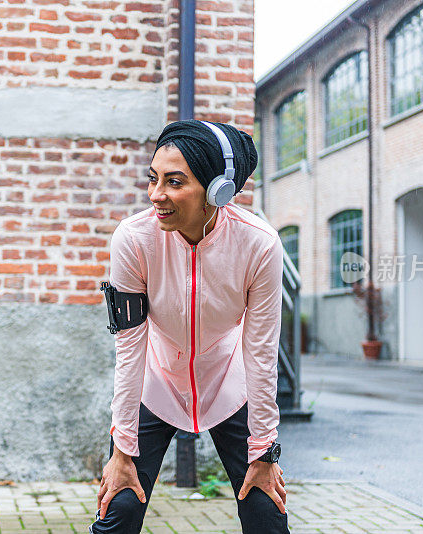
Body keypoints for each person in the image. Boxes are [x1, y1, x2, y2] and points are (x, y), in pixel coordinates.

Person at [91, 119, 288, 534]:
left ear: (218, 190)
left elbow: (262, 352)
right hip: (156, 381)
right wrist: (122, 448)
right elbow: (129, 349)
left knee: (266, 515)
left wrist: (265, 452)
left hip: (229, 381)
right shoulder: (134, 238)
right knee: (120, 508)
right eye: (153, 179)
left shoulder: (260, 244)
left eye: (174, 182)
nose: (156, 195)